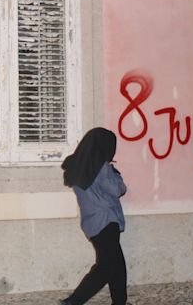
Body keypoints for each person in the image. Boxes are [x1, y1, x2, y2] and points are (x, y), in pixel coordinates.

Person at [59, 127, 128, 305]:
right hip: (107, 221)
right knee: (106, 268)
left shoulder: (78, 166)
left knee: (116, 265)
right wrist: (116, 175)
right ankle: (72, 302)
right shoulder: (102, 168)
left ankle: (119, 302)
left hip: (92, 222)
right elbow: (117, 190)